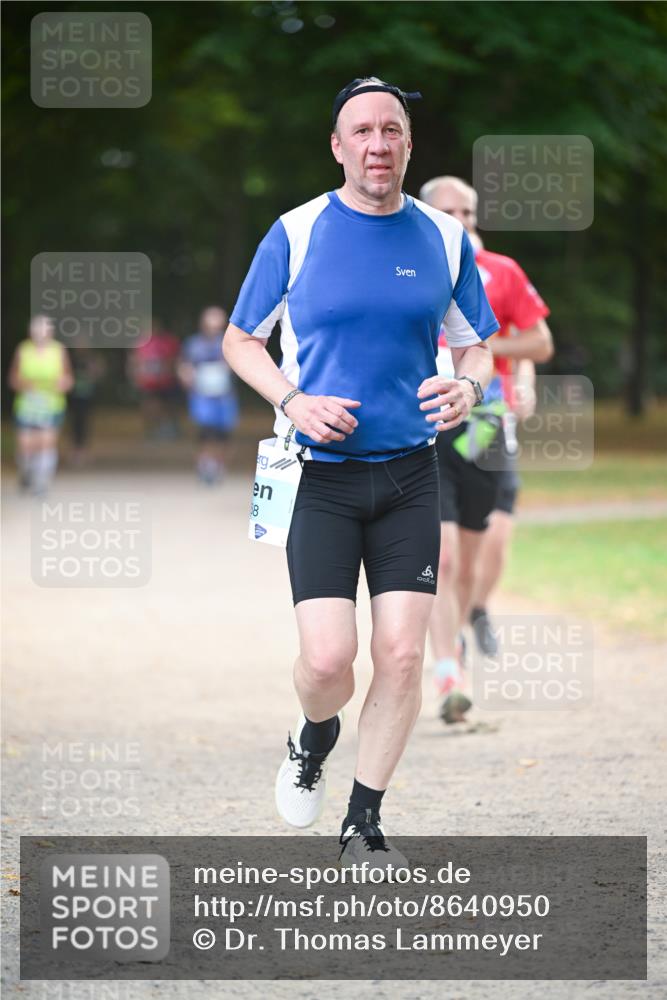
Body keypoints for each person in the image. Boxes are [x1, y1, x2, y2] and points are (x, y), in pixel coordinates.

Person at [223, 78, 498, 871]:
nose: (378, 144)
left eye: (392, 130)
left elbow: (477, 340)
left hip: (411, 473)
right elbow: (243, 339)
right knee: (325, 662)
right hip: (317, 476)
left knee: (404, 655)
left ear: (408, 144)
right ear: (338, 146)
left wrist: (468, 385)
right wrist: (293, 399)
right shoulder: (296, 231)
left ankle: (363, 821)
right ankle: (312, 738)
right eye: (362, 132)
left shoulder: (445, 238)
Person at [419, 176, 553, 722]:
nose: (463, 221)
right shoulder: (406, 269)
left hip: (486, 424)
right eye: (450, 212)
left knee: (477, 557)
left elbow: (540, 342)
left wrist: (481, 348)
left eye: (469, 212)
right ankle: (448, 671)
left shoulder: (500, 270)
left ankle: (471, 615)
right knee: (443, 556)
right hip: (426, 424)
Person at [8, 314, 73, 495]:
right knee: (26, 445)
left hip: (51, 404)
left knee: (47, 442)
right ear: (31, 331)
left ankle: (42, 481)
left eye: (45, 329)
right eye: (37, 329)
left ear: (51, 332)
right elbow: (12, 379)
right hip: (27, 405)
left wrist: (63, 384)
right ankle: (27, 472)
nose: (41, 333)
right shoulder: (23, 350)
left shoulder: (59, 350)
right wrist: (23, 385)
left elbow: (69, 378)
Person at [178, 306, 238, 484]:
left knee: (223, 433)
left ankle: (219, 465)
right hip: (202, 395)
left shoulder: (229, 342)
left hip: (223, 395)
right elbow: (184, 364)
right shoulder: (193, 343)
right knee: (204, 431)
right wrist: (186, 375)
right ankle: (203, 464)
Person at [126, 318, 181, 439]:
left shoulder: (168, 341)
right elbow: (134, 362)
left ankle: (170, 430)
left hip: (166, 381)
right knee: (149, 407)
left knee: (168, 406)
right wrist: (135, 376)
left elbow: (174, 360)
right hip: (148, 383)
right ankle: (151, 431)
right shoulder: (140, 343)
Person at [67, 338, 106, 467]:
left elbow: (99, 373)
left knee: (85, 424)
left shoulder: (92, 358)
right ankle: (74, 450)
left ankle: (84, 451)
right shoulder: (69, 359)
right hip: (72, 397)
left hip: (87, 397)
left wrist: (94, 370)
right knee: (74, 424)